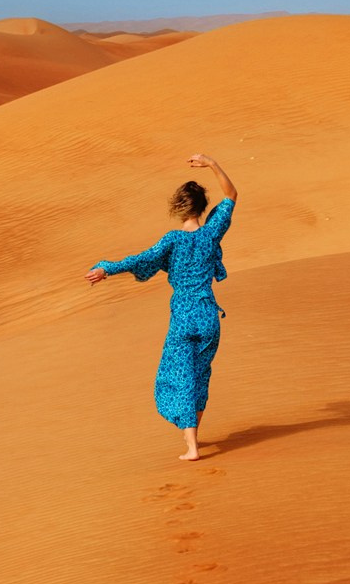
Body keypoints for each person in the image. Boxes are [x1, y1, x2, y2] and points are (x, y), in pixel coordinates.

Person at [86, 153, 238, 462]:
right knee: (199, 375)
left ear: (179, 207)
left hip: (183, 318)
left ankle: (192, 446)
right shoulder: (211, 235)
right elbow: (232, 195)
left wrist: (106, 269)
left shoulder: (172, 240)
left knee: (180, 377)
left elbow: (139, 260)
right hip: (209, 317)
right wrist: (211, 164)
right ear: (202, 207)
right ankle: (193, 438)